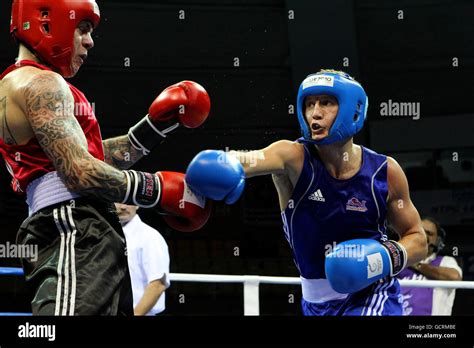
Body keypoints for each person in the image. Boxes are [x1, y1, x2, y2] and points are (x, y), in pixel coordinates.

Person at [0, 0, 211, 315]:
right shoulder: (41, 83)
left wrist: (153, 128)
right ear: (46, 22)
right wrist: (156, 189)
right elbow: (79, 172)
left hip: (73, 226)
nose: (90, 41)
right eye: (83, 29)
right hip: (74, 227)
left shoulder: (22, 82)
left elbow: (86, 158)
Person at [185, 69, 428, 316]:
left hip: (372, 294)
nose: (315, 113)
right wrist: (224, 162)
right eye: (309, 104)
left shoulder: (384, 172)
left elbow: (418, 239)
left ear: (353, 110)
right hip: (315, 305)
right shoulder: (294, 158)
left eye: (327, 103)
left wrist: (381, 259)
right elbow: (251, 158)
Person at [397, 217, 462, 315]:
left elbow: (454, 277)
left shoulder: (445, 261)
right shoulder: (399, 264)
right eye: (420, 232)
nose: (424, 237)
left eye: (429, 233)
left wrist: (416, 264)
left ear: (438, 240)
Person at [115, 203, 170, 316]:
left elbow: (158, 284)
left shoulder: (150, 237)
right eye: (118, 200)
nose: (123, 207)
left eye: (129, 201)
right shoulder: (106, 235)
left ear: (138, 205)